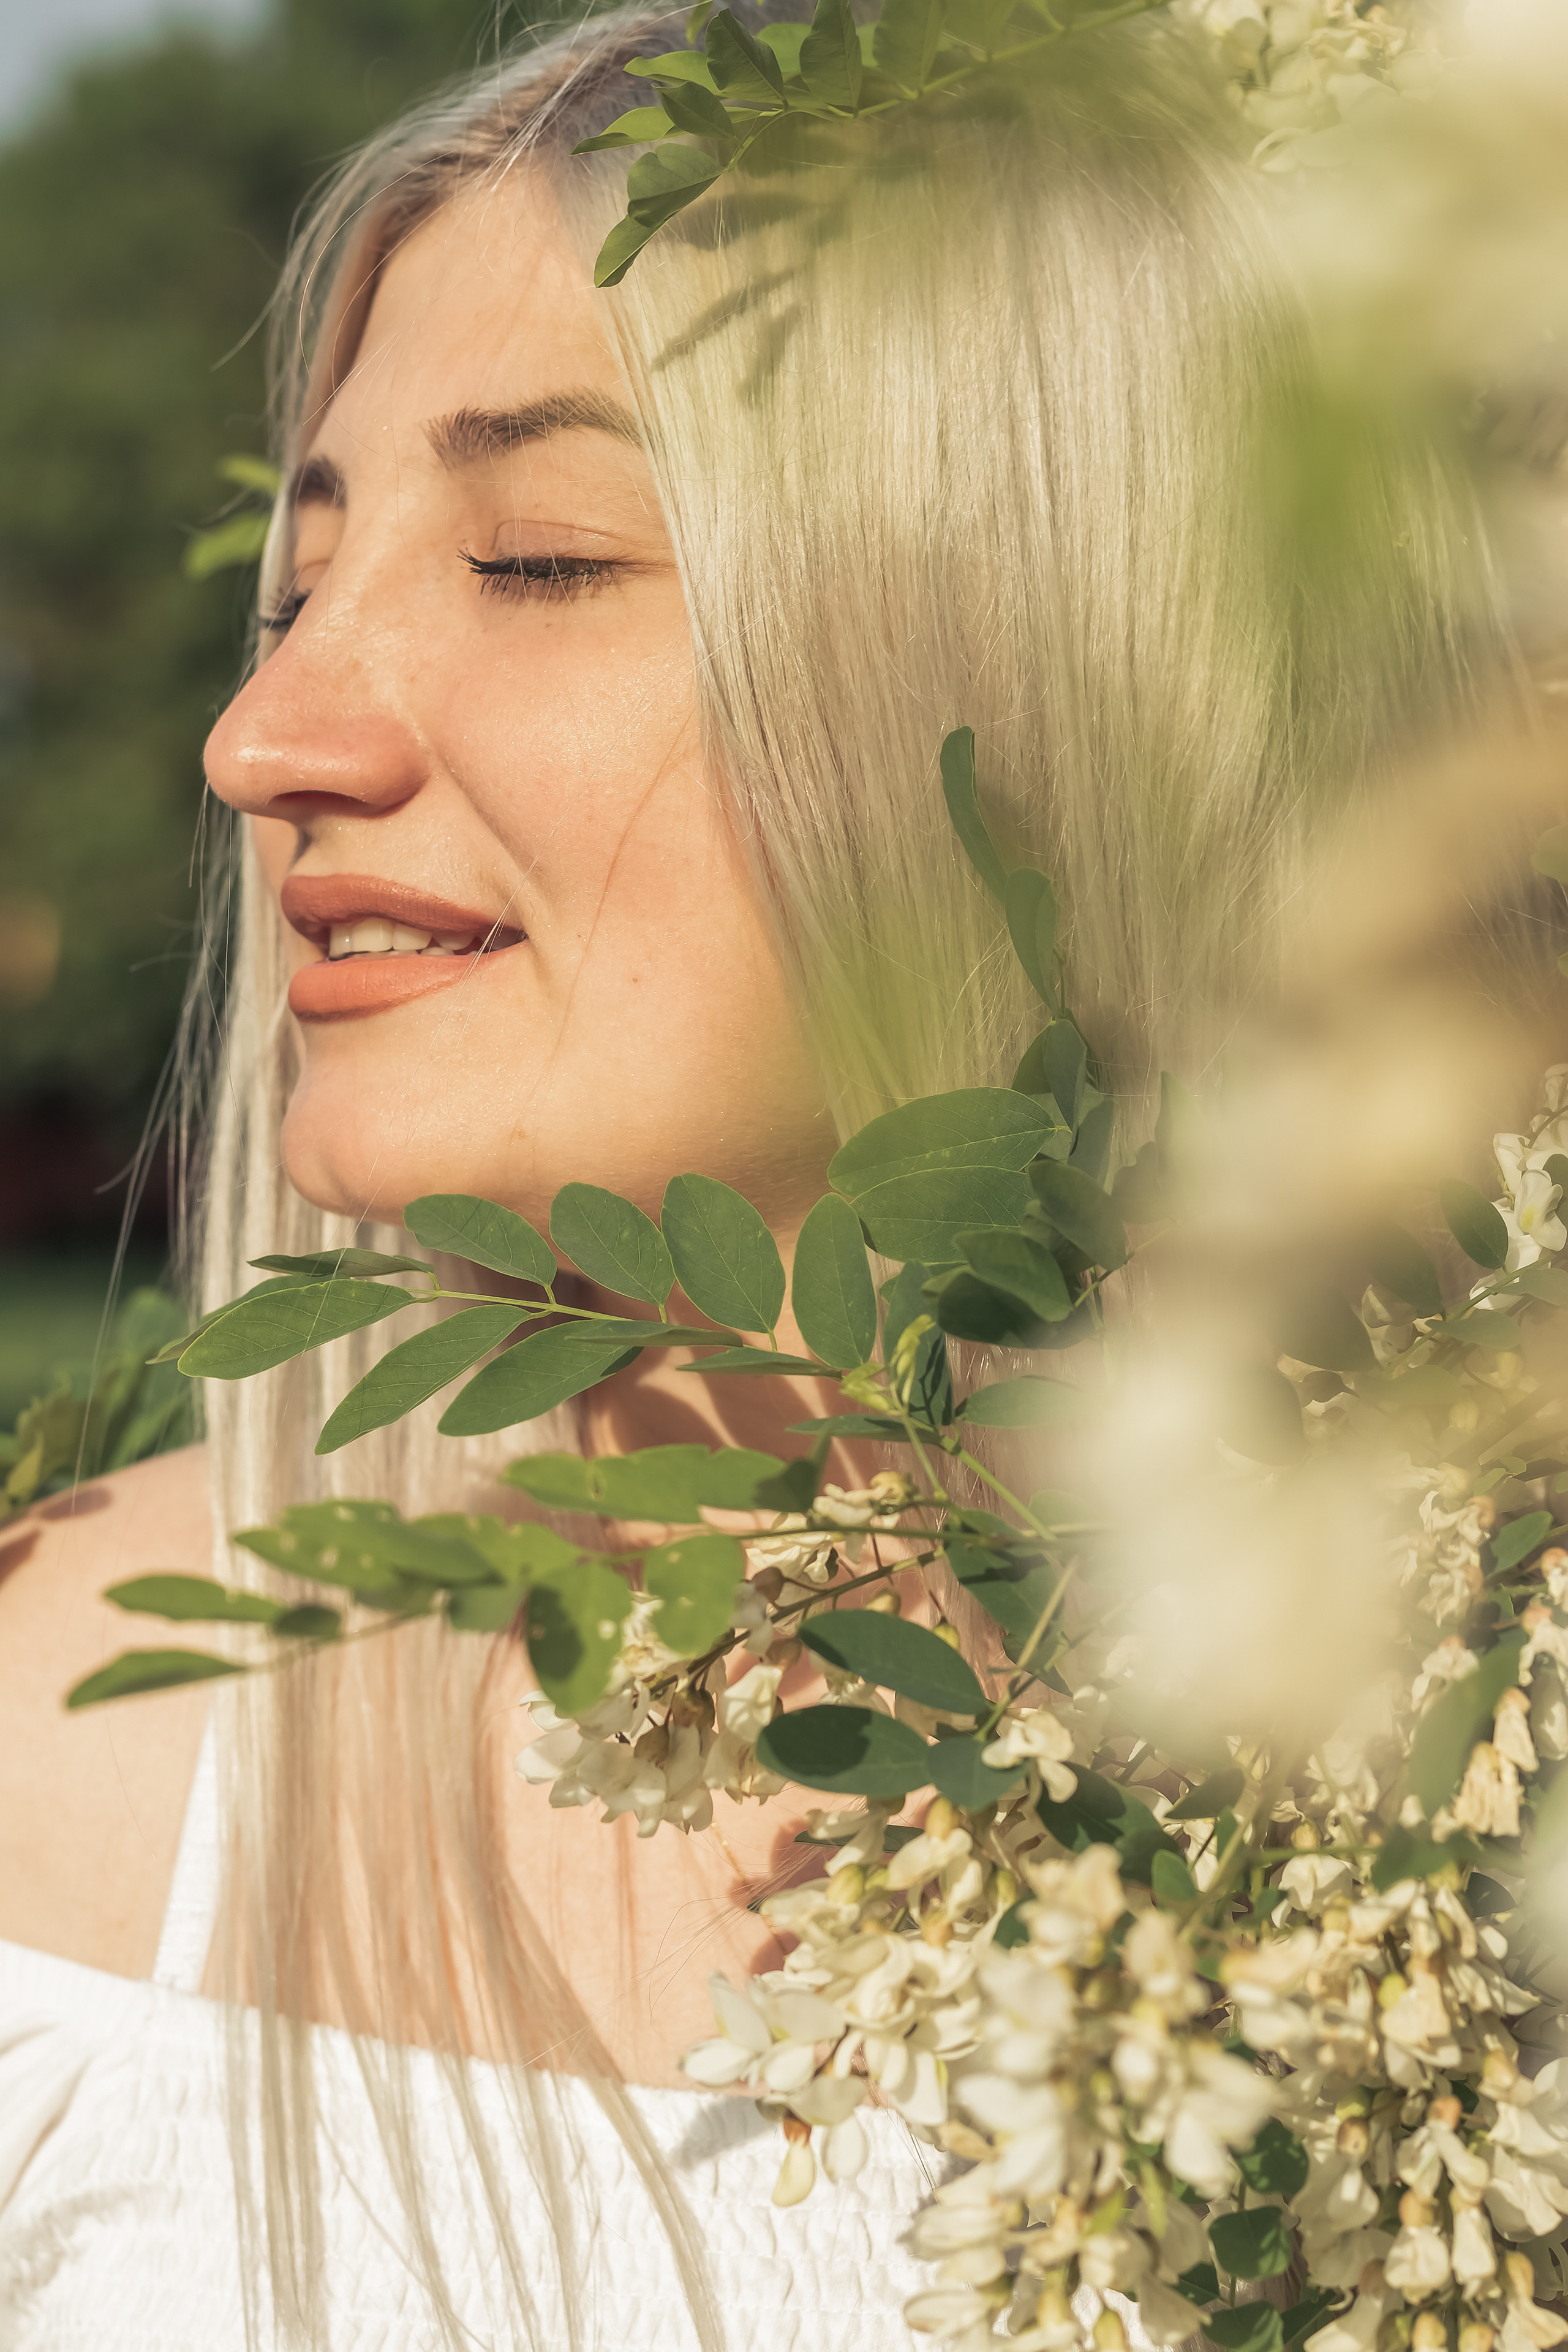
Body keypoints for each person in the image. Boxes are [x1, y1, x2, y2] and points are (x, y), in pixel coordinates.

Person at [0, 4, 1525, 2346]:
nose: (264, 735)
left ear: (1064, 678)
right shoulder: (57, 1769)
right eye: (297, 584)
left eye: (533, 559)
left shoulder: (1480, 1801)